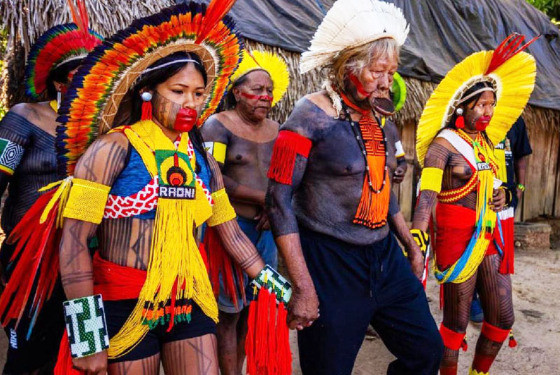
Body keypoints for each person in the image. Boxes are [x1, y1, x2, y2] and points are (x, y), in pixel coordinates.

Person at [3, 3, 290, 375]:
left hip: (189, 297)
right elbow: (74, 240)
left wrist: (279, 287)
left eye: (199, 93)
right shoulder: (111, 149)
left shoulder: (201, 159)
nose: (191, 102)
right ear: (148, 92)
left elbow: (231, 233)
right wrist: (87, 338)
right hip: (124, 301)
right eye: (178, 90)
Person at [266, 1, 442, 374]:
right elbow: (278, 200)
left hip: (384, 256)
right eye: (378, 71)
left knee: (426, 352)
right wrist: (303, 285)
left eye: (391, 72)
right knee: (327, 368)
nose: (386, 82)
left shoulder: (377, 120)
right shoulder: (308, 117)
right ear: (349, 69)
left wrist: (409, 244)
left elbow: (381, 190)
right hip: (331, 260)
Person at [411, 34, 537, 375]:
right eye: (481, 105)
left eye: (491, 104)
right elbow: (427, 197)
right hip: (456, 240)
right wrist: (417, 240)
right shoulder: (442, 146)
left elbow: (499, 183)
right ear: (462, 107)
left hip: (489, 234)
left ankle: (477, 373)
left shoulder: (487, 142)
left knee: (503, 316)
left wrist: (506, 195)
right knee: (456, 321)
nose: (488, 111)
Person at [0, 6, 102, 373]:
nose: (90, 83)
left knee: (83, 346)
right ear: (60, 83)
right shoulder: (23, 117)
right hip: (29, 255)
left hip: (85, 252)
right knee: (26, 344)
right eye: (81, 76)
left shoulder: (103, 131)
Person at [201, 49, 289, 375]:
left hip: (266, 230)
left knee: (258, 305)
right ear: (237, 92)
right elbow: (214, 176)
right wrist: (263, 198)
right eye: (256, 90)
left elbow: (283, 178)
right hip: (229, 227)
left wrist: (273, 205)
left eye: (269, 91)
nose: (265, 96)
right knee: (229, 311)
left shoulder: (278, 130)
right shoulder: (217, 125)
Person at [471, 116, 533, 323]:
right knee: (475, 247)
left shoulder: (515, 119)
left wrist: (520, 188)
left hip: (505, 198)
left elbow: (521, 157)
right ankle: (470, 297)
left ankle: (487, 295)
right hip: (478, 197)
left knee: (497, 250)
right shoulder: (476, 115)